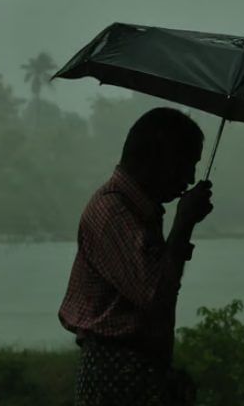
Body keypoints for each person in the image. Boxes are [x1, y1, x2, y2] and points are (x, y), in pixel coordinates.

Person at [59, 107, 215, 405]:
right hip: (116, 373)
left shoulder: (137, 211)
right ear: (159, 157)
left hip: (132, 369)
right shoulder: (113, 213)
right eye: (186, 163)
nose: (191, 176)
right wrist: (183, 224)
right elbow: (156, 296)